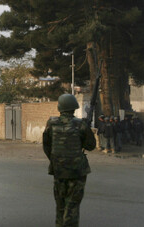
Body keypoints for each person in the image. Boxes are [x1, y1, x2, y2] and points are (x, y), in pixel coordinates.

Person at [43, 94, 96, 227]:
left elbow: (46, 145)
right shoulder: (81, 125)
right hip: (76, 172)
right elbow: (91, 146)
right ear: (74, 108)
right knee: (72, 207)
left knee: (60, 206)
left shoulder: (51, 123)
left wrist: (56, 160)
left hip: (58, 171)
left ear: (60, 107)